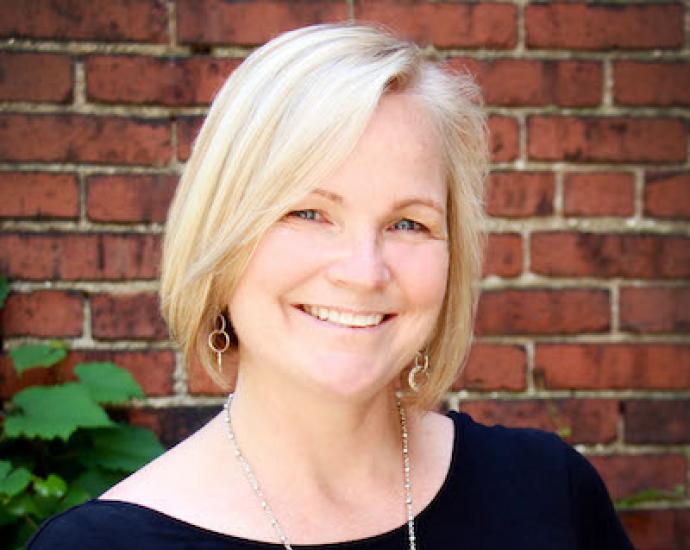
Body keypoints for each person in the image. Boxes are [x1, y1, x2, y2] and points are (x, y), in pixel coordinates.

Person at [28, 23, 633, 549]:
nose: (363, 271)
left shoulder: (550, 493)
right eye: (309, 213)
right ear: (222, 231)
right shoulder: (100, 545)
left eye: (407, 223)